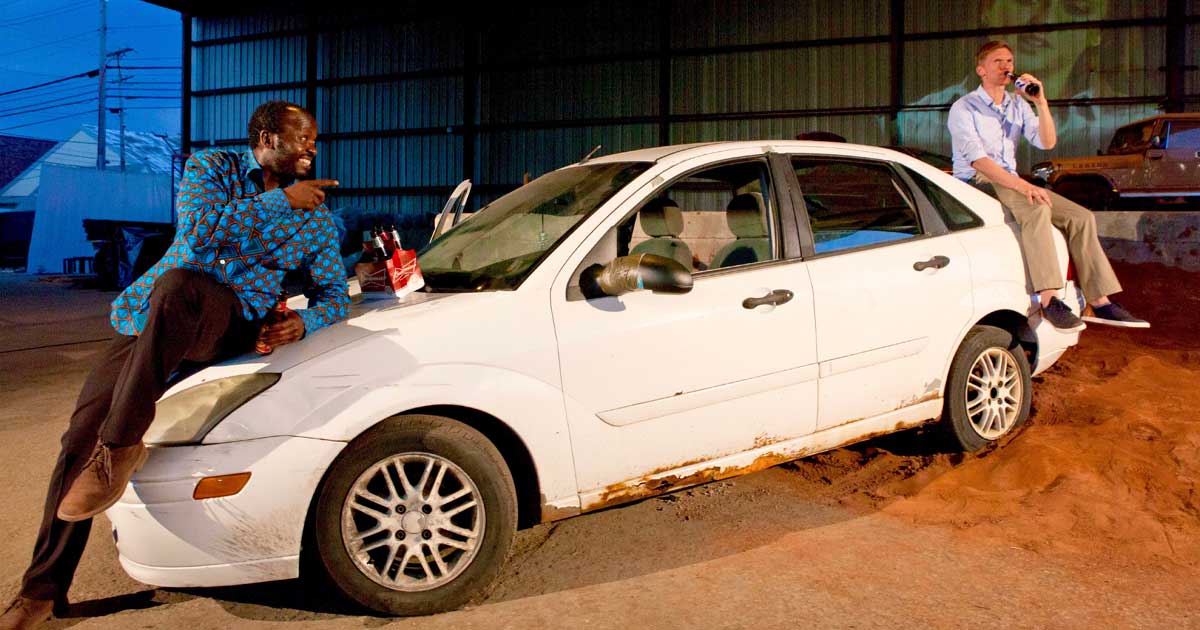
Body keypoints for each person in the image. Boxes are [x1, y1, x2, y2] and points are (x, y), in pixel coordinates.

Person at [0, 100, 351, 630]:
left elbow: (332, 294)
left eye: (315, 141)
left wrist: (306, 322)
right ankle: (43, 591)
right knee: (77, 439)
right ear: (266, 138)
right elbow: (198, 232)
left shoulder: (318, 221)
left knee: (185, 287)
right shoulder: (211, 168)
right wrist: (281, 201)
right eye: (303, 139)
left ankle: (119, 449)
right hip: (153, 322)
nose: (312, 150)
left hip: (224, 323)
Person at [948, 40, 1147, 331]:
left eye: (1010, 62)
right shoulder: (964, 107)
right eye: (998, 62)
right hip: (976, 181)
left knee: (1081, 218)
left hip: (1009, 178)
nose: (1007, 67)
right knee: (1037, 208)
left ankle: (1100, 302)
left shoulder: (1018, 105)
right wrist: (1022, 187)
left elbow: (1046, 142)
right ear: (981, 70)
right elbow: (978, 161)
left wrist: (1040, 103)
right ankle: (1049, 298)